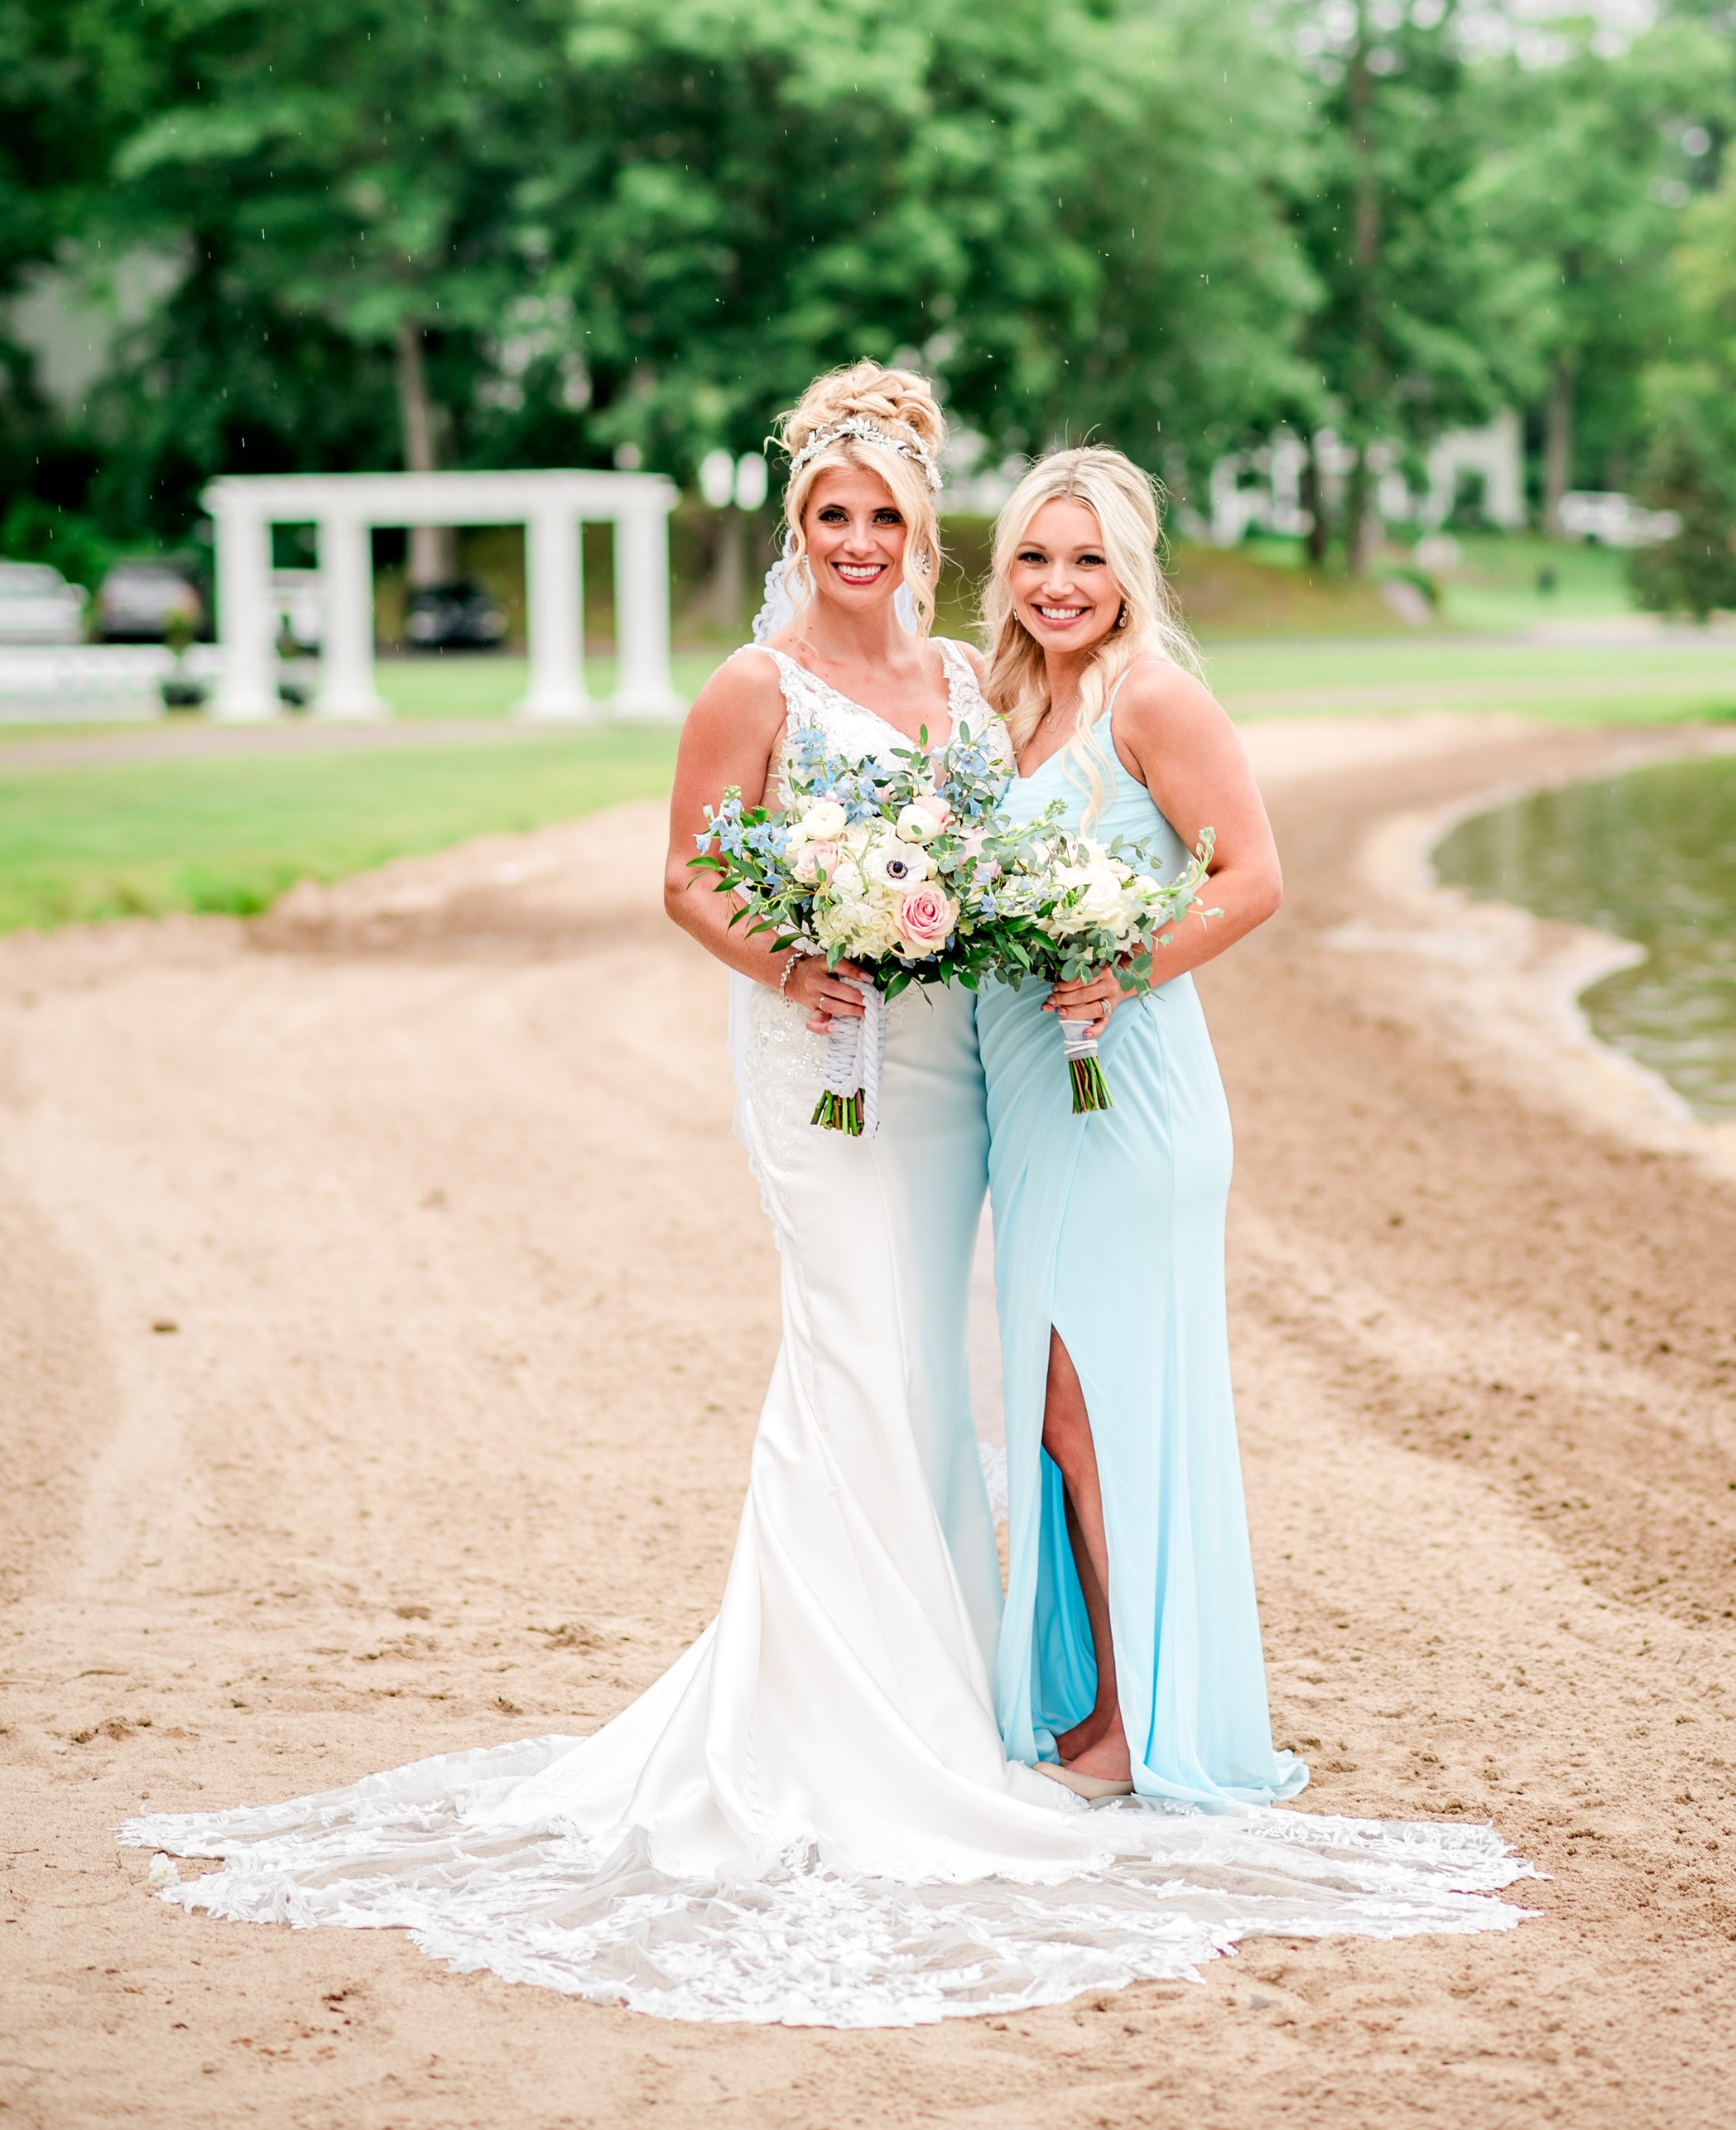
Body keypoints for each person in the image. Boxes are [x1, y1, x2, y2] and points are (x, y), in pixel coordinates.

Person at [125, 378, 1530, 2021]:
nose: (858, 542)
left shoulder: (963, 682)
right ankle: (847, 1722)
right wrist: (795, 945)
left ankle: (971, 1704)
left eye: (885, 517)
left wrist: (1076, 944)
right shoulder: (753, 682)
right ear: (803, 531)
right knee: (853, 1352)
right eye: (830, 516)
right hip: (825, 1061)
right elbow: (684, 872)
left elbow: (1074, 856)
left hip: (959, 1078)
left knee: (940, 1374)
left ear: (925, 537)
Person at [976, 446, 1304, 1808]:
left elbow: (1257, 875)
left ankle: (1131, 1730)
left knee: (1091, 1408)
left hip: (1126, 1092)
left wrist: (1127, 962)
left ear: (1131, 573)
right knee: (1061, 1412)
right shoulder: (999, 707)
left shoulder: (1155, 701)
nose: (1061, 585)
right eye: (1037, 558)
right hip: (1033, 1098)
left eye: (1089, 559)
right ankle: (1106, 1705)